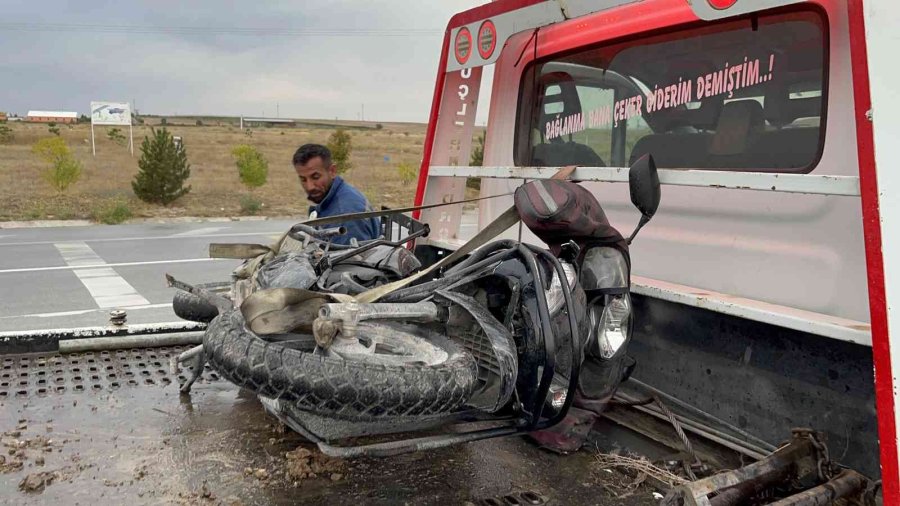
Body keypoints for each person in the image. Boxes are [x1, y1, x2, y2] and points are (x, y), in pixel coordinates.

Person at [292, 143, 381, 245]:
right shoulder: (338, 196)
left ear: (332, 171)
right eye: (303, 179)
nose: (309, 186)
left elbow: (351, 260)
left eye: (315, 177)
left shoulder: (344, 215)